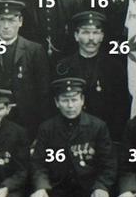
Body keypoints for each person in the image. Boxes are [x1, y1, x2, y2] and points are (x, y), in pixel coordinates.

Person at [28, 77, 117, 197]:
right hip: (56, 189)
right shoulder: (47, 128)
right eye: (65, 100)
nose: (70, 106)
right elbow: (38, 164)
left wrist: (101, 186)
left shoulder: (98, 126)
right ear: (57, 102)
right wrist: (41, 187)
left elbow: (108, 163)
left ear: (82, 100)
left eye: (74, 100)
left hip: (88, 188)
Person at [0, 0, 50, 137]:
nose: (6, 26)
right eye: (1, 20)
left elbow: (43, 92)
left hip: (27, 120)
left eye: (12, 20)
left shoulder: (34, 50)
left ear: (20, 21)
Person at [54, 11, 129, 141]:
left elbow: (121, 108)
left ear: (102, 36)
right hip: (71, 137)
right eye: (85, 32)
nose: (91, 38)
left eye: (95, 33)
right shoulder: (62, 67)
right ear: (76, 36)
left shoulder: (114, 68)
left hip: (106, 136)